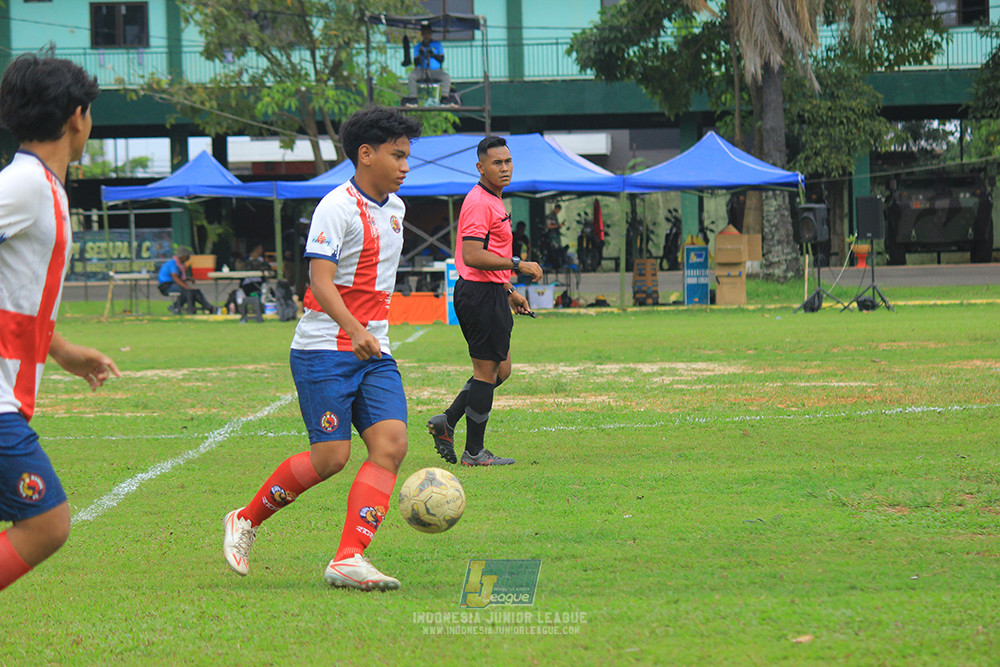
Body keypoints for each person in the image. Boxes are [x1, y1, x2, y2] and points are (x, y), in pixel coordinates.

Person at [222, 106, 422, 591]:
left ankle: (349, 557)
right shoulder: (336, 206)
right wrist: (354, 329)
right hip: (324, 350)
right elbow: (319, 281)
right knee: (331, 457)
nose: (405, 166)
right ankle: (245, 519)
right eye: (397, 155)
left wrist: (368, 334)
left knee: (391, 445)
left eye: (406, 156)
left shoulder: (396, 209)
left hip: (373, 349)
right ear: (366, 154)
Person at [0, 54, 120, 593]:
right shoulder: (26, 185)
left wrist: (60, 348)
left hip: (12, 393)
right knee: (46, 523)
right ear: (77, 116)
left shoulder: (42, 187)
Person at [426, 136, 542, 467]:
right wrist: (519, 264)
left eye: (508, 161)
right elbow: (472, 255)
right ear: (480, 167)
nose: (504, 168)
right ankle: (474, 452)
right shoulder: (479, 202)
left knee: (500, 370)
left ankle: (447, 420)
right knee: (485, 371)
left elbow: (488, 255)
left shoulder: (493, 200)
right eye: (497, 163)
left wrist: (508, 290)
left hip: (490, 291)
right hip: (478, 295)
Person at [403, 22, 456, 107]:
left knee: (446, 77)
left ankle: (445, 98)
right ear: (422, 34)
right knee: (411, 76)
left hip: (435, 70)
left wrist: (433, 54)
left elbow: (441, 59)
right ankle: (413, 99)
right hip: (421, 70)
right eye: (424, 33)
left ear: (431, 34)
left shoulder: (437, 44)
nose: (426, 35)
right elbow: (416, 63)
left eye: (428, 33)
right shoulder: (418, 46)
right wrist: (420, 53)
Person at [156, 247, 219, 315]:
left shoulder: (179, 264)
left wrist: (188, 279)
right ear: (183, 256)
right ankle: (207, 308)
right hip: (166, 286)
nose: (189, 258)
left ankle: (205, 307)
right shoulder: (173, 264)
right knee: (188, 291)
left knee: (193, 291)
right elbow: (175, 278)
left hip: (171, 284)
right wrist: (186, 287)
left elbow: (178, 277)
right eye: (187, 256)